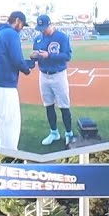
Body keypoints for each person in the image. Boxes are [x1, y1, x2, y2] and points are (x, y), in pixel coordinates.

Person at [0, 11, 33, 150]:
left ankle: (4, 148)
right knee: (12, 121)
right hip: (6, 82)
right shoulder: (11, 34)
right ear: (17, 20)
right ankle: (12, 152)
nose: (22, 28)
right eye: (22, 24)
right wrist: (27, 69)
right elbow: (17, 59)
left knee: (2, 119)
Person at [30, 14, 74, 146]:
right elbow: (37, 56)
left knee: (64, 106)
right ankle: (54, 132)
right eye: (40, 28)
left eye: (44, 27)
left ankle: (69, 133)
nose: (42, 30)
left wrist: (49, 55)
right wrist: (34, 57)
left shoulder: (61, 37)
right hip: (43, 75)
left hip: (58, 74)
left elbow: (67, 56)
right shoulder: (37, 39)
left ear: (50, 24)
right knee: (48, 105)